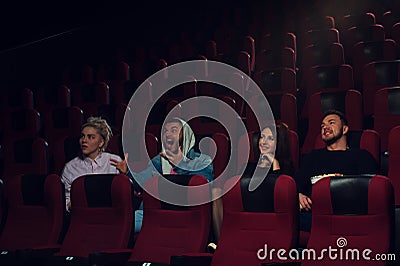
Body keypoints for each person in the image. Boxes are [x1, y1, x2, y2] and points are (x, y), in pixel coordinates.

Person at [210, 122, 294, 247]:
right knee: (216, 192)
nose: (263, 142)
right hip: (247, 205)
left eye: (270, 138)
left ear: (278, 143)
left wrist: (274, 162)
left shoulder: (285, 166)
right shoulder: (249, 166)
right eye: (262, 137)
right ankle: (221, 244)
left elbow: (279, 188)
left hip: (267, 210)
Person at [296, 109, 378, 232]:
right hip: (315, 215)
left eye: (331, 122)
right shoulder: (312, 157)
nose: (325, 127)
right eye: (322, 125)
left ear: (345, 129)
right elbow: (297, 184)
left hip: (348, 215)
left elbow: (372, 190)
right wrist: (299, 195)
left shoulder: (361, 156)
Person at [129, 117, 214, 233]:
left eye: (173, 130)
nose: (168, 134)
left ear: (186, 136)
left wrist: (180, 164)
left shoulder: (202, 160)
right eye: (165, 131)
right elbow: (140, 182)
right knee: (123, 222)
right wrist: (126, 173)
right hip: (156, 212)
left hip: (187, 212)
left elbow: (203, 184)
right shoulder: (158, 161)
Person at [61, 117, 128, 211]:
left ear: (101, 143)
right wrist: (72, 204)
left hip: (110, 214)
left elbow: (124, 196)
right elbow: (65, 200)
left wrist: (125, 175)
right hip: (82, 215)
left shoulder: (114, 161)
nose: (84, 140)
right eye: (82, 136)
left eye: (90, 137)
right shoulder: (70, 167)